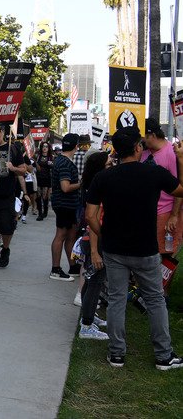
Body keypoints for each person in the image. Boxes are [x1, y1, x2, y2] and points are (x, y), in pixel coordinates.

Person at [85, 126, 183, 370]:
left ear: (116, 151)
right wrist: (180, 160)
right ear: (138, 147)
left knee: (117, 300)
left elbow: (90, 216)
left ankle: (117, 354)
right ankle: (164, 356)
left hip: (115, 248)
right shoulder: (154, 173)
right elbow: (180, 190)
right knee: (155, 299)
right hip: (146, 249)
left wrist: (103, 235)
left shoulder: (103, 177)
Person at [77, 151, 112, 340]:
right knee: (95, 281)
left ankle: (88, 317)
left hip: (92, 239)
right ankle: (87, 325)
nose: (112, 165)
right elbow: (94, 219)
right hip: (94, 240)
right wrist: (95, 251)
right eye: (108, 164)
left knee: (91, 280)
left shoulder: (94, 185)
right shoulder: (97, 188)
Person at [0, 125, 26, 269]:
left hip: (7, 195)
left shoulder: (13, 149)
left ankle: (5, 249)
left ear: (4, 133)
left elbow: (24, 170)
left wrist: (13, 168)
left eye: (0, 131)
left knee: (7, 227)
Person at [141, 118, 183, 257]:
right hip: (146, 213)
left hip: (165, 212)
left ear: (152, 135)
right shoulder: (143, 152)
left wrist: (174, 215)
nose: (142, 141)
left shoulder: (172, 153)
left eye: (144, 137)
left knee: (165, 255)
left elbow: (180, 186)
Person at [49, 133, 81, 282]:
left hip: (68, 204)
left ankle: (73, 266)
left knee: (70, 235)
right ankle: (55, 269)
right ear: (76, 146)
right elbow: (65, 187)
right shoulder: (65, 163)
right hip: (64, 203)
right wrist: (82, 183)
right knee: (61, 235)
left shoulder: (62, 160)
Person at [35, 141, 54, 221]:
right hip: (39, 177)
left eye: (46, 146)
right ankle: (40, 213)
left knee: (44, 195)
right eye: (43, 146)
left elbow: (53, 166)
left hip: (46, 178)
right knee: (38, 195)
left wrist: (51, 165)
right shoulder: (38, 156)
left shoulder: (50, 157)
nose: (45, 148)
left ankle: (45, 211)